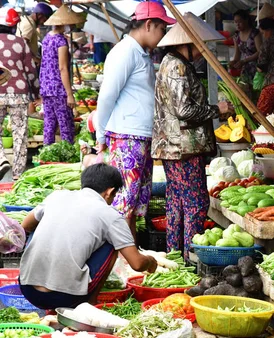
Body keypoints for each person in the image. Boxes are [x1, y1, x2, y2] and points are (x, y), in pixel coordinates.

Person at [19, 163, 158, 310]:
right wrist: (150, 261)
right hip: (65, 297)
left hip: (27, 289)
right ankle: (90, 305)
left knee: (38, 224)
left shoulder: (56, 196)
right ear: (109, 192)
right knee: (112, 243)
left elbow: (25, 226)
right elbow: (137, 264)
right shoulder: (110, 215)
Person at [153, 13, 233, 260]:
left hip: (175, 147)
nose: (202, 51)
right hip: (183, 147)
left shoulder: (171, 63)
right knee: (196, 204)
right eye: (200, 46)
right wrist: (216, 110)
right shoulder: (176, 66)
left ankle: (176, 256)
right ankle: (191, 256)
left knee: (177, 203)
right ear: (185, 44)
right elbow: (184, 110)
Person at [95, 1, 174, 239]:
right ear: (149, 24)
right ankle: (119, 259)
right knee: (122, 204)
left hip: (140, 137)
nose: (163, 34)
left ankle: (132, 255)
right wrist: (101, 135)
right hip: (128, 137)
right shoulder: (125, 52)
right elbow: (107, 96)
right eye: (162, 28)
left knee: (133, 205)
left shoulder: (140, 52)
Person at [0, 8, 40, 180]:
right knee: (20, 134)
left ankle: (1, 159)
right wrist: (36, 91)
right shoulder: (20, 42)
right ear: (14, 25)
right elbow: (30, 70)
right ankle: (18, 175)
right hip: (19, 92)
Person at [40, 5, 85, 146]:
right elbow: (63, 68)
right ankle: (67, 153)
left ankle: (46, 153)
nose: (72, 27)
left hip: (46, 88)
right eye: (71, 24)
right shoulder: (61, 41)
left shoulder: (47, 38)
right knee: (66, 126)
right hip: (59, 89)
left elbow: (45, 63)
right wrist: (69, 94)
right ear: (64, 24)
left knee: (49, 125)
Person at [230, 9, 262, 83]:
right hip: (245, 69)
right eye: (235, 22)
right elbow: (237, 55)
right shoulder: (236, 36)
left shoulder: (255, 33)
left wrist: (245, 61)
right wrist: (233, 62)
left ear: (246, 20)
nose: (237, 24)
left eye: (240, 21)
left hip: (257, 68)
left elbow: (260, 52)